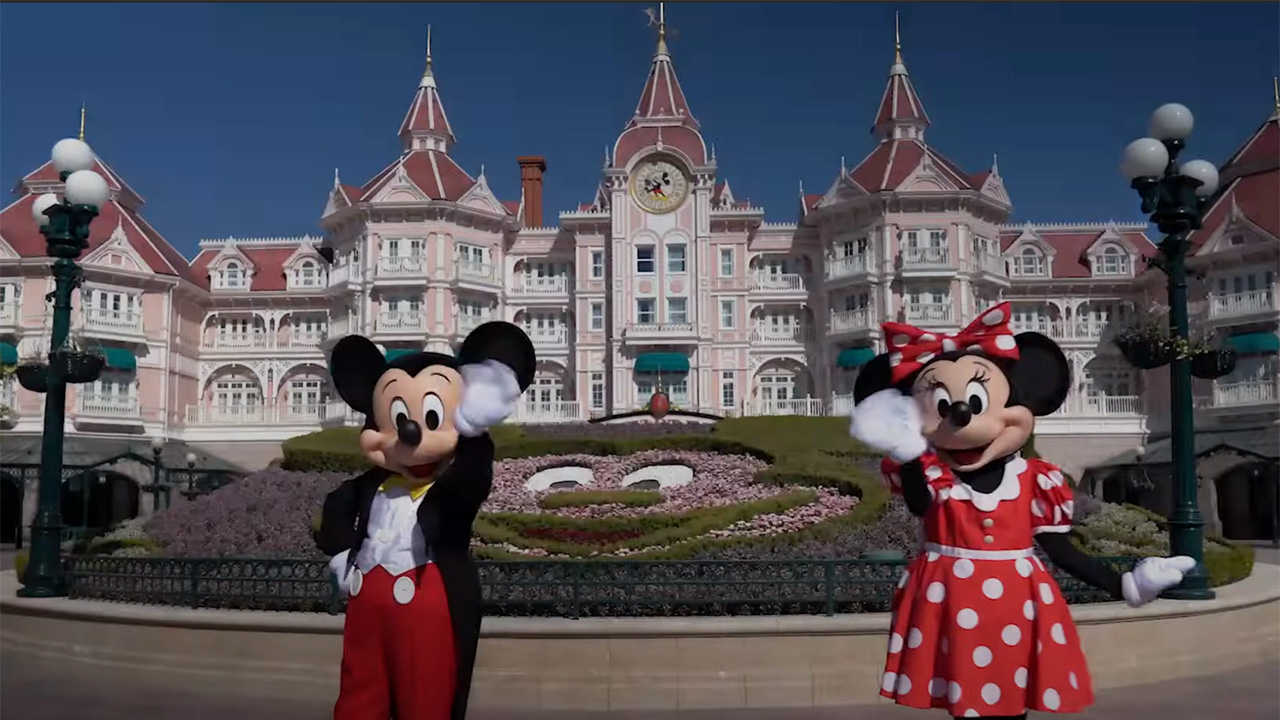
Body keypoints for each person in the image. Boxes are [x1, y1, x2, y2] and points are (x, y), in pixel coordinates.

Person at [848, 302, 1195, 719]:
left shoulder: (1034, 480)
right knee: (967, 701)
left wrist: (1126, 584)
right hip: (950, 603)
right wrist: (907, 453)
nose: (960, 415)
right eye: (942, 406)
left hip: (1019, 605)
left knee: (1012, 702)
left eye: (976, 401)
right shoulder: (930, 474)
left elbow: (1059, 549)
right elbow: (921, 506)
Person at [315, 322, 535, 720]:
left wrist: (473, 432)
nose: (410, 433)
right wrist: (341, 549)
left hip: (426, 603)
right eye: (395, 420)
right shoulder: (372, 485)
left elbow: (470, 481)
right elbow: (336, 506)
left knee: (425, 698)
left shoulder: (451, 488)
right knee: (359, 699)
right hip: (366, 608)